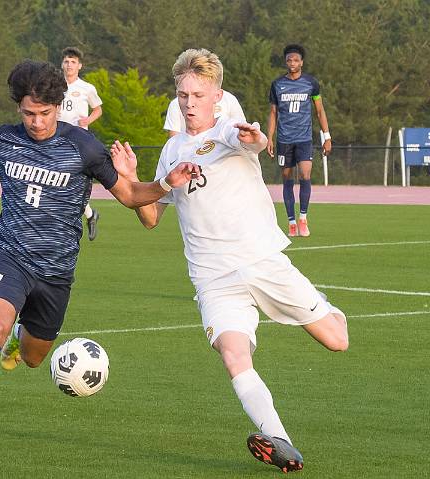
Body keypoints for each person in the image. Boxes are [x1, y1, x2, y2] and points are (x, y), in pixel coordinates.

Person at [0, 61, 200, 455]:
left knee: (32, 357)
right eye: (29, 113)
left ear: (59, 106)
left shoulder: (83, 147)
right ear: (18, 108)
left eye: (44, 113)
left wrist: (167, 182)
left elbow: (131, 197)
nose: (37, 122)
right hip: (8, 257)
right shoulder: (6, 140)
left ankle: (18, 335)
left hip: (56, 274)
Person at [110, 48, 348, 474]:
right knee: (234, 356)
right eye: (183, 94)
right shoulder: (170, 153)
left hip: (259, 260)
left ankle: (326, 305)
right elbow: (150, 217)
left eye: (198, 95)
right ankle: (283, 444)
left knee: (336, 339)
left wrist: (254, 138)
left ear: (217, 95)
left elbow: (252, 141)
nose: (188, 103)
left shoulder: (226, 130)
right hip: (212, 277)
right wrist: (128, 178)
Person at [267, 44, 331, 237]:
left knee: (305, 175)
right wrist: (269, 137)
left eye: (295, 60)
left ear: (301, 62)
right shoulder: (277, 85)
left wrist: (327, 136)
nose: (292, 63)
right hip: (284, 140)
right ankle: (291, 222)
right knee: (287, 179)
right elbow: (273, 113)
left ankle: (303, 218)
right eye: (289, 60)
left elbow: (319, 111)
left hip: (304, 139)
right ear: (285, 62)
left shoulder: (311, 84)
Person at [59, 46, 103, 240]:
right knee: (61, 180)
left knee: (70, 180)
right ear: (62, 64)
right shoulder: (55, 85)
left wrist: (88, 120)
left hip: (78, 139)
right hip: (57, 137)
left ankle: (86, 215)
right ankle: (90, 215)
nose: (69, 65)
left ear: (79, 66)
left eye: (73, 62)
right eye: (67, 61)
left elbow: (98, 109)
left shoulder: (86, 88)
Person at [163, 88, 245, 137]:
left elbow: (241, 130)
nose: (189, 104)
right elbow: (174, 138)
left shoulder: (229, 99)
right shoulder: (175, 104)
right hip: (189, 157)